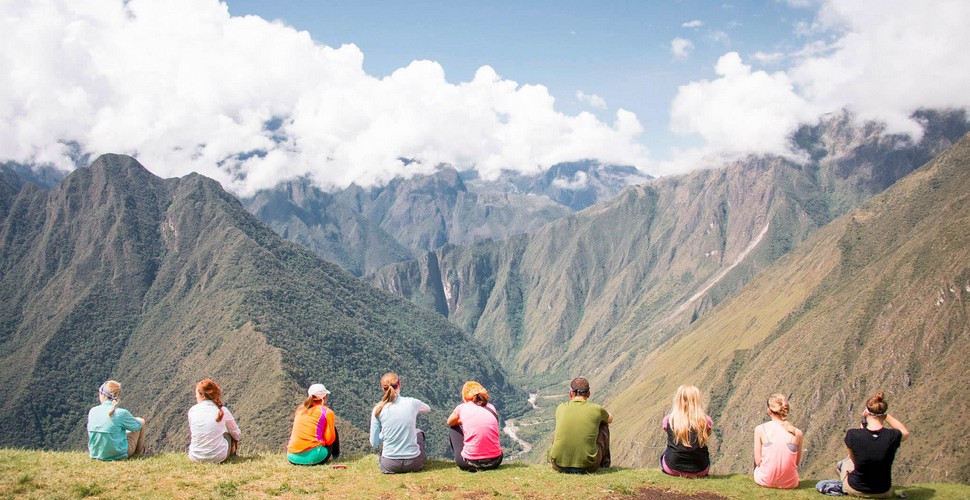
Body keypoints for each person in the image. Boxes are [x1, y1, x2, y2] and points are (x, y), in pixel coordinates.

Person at [837, 392, 910, 498]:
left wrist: (863, 432)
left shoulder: (853, 435)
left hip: (857, 489)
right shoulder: (892, 436)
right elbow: (905, 432)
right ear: (883, 413)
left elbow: (855, 462)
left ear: (866, 412)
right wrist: (886, 416)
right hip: (884, 492)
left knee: (843, 463)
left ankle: (847, 486)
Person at [369, 372, 431, 473]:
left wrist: (383, 434)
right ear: (399, 384)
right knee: (418, 432)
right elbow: (427, 408)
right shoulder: (412, 402)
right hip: (414, 464)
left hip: (389, 465)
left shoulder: (378, 409)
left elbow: (374, 443)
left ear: (382, 388)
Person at [548, 377, 612, 473]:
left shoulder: (560, 408)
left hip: (558, 465)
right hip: (588, 466)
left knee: (560, 429)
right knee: (604, 426)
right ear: (589, 394)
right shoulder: (596, 409)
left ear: (570, 393)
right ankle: (604, 464)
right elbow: (610, 419)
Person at [446, 381, 503, 472]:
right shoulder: (491, 407)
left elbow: (450, 422)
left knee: (453, 428)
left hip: (469, 463)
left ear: (465, 396)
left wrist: (463, 421)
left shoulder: (462, 408)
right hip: (495, 462)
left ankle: (469, 456)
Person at [661, 385, 713, 478]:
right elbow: (707, 435)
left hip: (672, 468)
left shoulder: (669, 420)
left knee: (664, 453)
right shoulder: (706, 421)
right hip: (701, 470)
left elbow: (669, 434)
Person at [753, 393, 803, 489]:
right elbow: (796, 463)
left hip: (765, 480)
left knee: (759, 454)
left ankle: (766, 475)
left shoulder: (760, 429)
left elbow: (758, 461)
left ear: (769, 410)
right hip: (790, 483)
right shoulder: (797, 433)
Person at [87, 380, 145, 461]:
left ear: (102, 394)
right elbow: (137, 426)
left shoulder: (92, 411)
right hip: (119, 454)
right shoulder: (121, 413)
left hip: (96, 454)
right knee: (141, 421)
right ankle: (139, 454)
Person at [187, 379, 242, 463]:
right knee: (229, 434)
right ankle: (232, 455)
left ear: (202, 395)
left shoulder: (192, 410)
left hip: (195, 457)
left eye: (196, 394)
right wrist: (235, 441)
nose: (196, 396)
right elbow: (236, 433)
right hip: (218, 457)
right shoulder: (222, 410)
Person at [286, 383, 340, 465]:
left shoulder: (300, 410)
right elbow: (329, 440)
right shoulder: (327, 412)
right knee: (333, 429)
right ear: (324, 397)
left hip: (292, 457)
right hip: (315, 457)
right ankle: (336, 456)